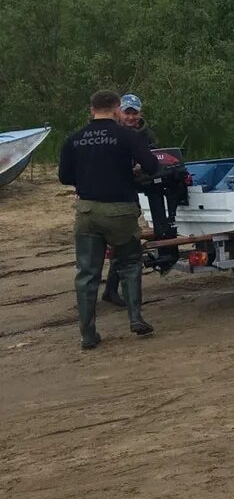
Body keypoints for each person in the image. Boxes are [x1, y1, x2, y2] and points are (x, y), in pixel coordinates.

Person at [58, 90, 160, 349]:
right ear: (116, 109)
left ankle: (88, 334)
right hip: (120, 210)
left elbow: (64, 177)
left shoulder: (74, 139)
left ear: (91, 110)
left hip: (87, 212)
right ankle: (136, 318)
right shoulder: (127, 136)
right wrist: (129, 170)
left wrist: (88, 177)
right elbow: (151, 166)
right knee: (129, 263)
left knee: (87, 273)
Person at [102, 93, 159, 307]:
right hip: (114, 193)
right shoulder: (112, 133)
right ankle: (113, 290)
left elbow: (154, 159)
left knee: (125, 242)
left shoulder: (147, 134)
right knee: (118, 243)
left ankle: (113, 289)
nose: (132, 117)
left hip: (137, 190)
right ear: (120, 112)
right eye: (128, 112)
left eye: (135, 113)